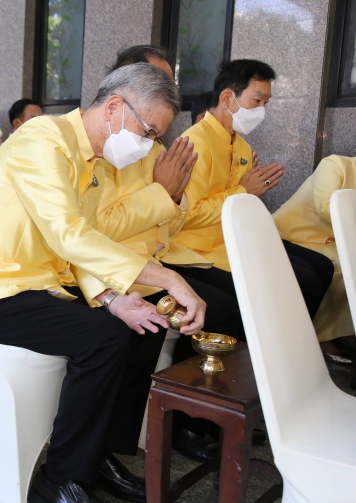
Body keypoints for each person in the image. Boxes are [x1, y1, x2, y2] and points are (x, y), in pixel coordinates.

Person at [0, 63, 207, 503]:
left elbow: (77, 245)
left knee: (141, 322)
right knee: (105, 338)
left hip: (40, 285)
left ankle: (99, 454)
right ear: (113, 107)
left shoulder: (93, 162)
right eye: (147, 131)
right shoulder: (41, 139)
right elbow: (70, 235)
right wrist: (167, 276)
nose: (148, 146)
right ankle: (60, 478)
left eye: (156, 137)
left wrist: (112, 298)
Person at [95, 50, 258, 465]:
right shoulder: (106, 143)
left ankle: (197, 417)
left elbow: (172, 220)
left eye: (171, 85)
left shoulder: (151, 143)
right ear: (122, 85)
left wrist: (173, 196)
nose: (167, 92)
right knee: (152, 321)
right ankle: (174, 425)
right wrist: (163, 195)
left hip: (148, 263)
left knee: (226, 302)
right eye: (156, 81)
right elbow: (98, 230)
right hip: (104, 268)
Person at [172, 59, 333, 323]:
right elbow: (188, 214)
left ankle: (288, 344)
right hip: (198, 250)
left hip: (235, 241)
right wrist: (243, 191)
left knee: (319, 269)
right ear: (227, 98)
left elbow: (238, 200)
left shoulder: (242, 147)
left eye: (265, 103)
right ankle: (267, 350)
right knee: (301, 282)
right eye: (256, 101)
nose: (261, 111)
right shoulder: (194, 144)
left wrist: (249, 194)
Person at [273, 155, 356, 366]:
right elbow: (327, 207)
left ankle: (344, 329)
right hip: (294, 236)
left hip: (333, 241)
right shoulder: (336, 164)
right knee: (337, 266)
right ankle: (319, 337)